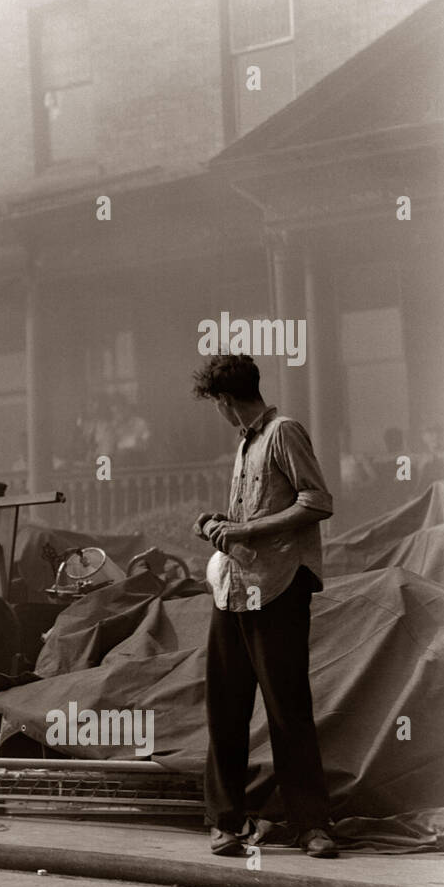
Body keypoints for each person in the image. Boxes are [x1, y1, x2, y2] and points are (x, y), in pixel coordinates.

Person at [190, 353, 338, 859]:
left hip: (278, 589)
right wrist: (221, 524)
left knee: (288, 710)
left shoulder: (282, 431)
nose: (218, 412)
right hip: (233, 592)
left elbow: (317, 500)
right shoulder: (246, 444)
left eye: (216, 404)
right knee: (225, 709)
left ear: (225, 401)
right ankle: (225, 822)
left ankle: (313, 827)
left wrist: (245, 529)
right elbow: (249, 516)